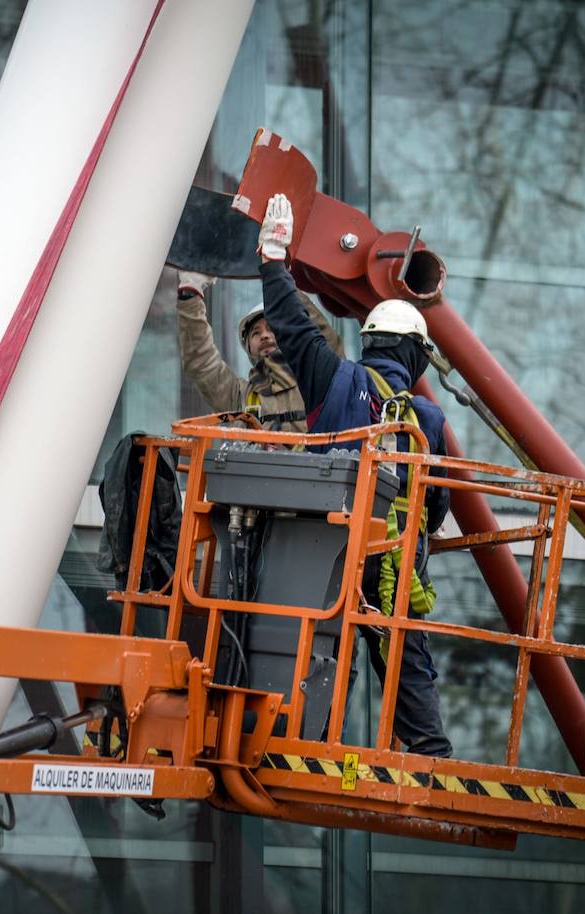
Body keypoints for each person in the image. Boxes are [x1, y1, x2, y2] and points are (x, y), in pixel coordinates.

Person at [255, 192, 453, 757]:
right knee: (405, 658)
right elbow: (435, 504)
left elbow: (294, 330)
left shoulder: (335, 382)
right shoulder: (429, 418)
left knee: (325, 647)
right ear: (415, 357)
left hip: (329, 553)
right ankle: (428, 753)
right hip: (393, 567)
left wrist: (272, 260)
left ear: (368, 342)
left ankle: (312, 742)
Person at [175, 269, 342, 432]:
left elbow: (324, 339)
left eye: (272, 329)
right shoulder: (240, 396)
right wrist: (190, 294)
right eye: (256, 332)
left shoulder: (319, 380)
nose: (264, 336)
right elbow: (202, 363)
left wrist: (278, 278)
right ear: (248, 347)